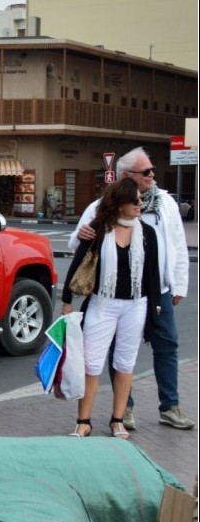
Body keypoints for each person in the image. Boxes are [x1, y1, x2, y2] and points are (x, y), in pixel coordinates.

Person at [68, 147, 193, 431]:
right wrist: (81, 234)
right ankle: (124, 410)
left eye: (152, 170)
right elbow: (79, 246)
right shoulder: (102, 206)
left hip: (158, 289)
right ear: (126, 176)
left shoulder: (164, 203)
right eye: (146, 171)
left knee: (167, 345)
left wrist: (179, 284)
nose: (152, 175)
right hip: (115, 296)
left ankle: (170, 406)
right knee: (119, 352)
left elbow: (177, 244)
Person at [61, 178, 160, 439]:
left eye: (141, 200)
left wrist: (155, 308)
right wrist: (67, 300)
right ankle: (83, 422)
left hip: (136, 305)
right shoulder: (98, 229)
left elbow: (153, 274)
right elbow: (78, 262)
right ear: (119, 205)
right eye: (134, 200)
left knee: (125, 363)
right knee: (91, 364)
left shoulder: (147, 234)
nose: (140, 204)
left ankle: (118, 420)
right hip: (102, 304)